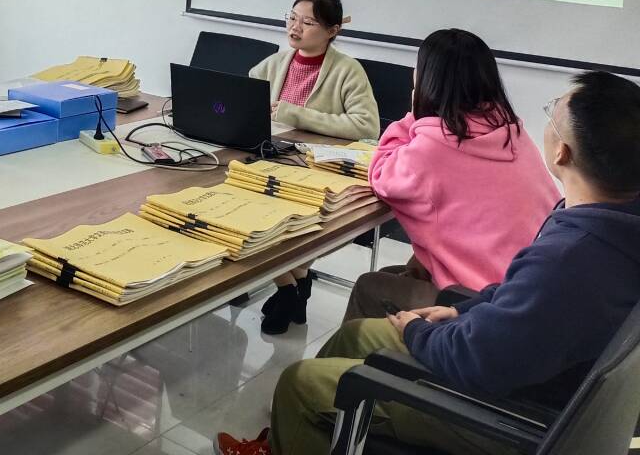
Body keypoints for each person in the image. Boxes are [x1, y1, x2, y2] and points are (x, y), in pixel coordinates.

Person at [215, 71, 640, 455]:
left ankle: (302, 423)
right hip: (524, 367)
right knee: (357, 334)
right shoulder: (609, 220)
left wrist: (419, 332)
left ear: (562, 152)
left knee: (299, 385)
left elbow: (480, 360)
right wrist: (462, 310)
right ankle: (292, 439)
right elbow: (518, 297)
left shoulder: (571, 258)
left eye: (552, 113)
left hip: (503, 411)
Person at [344, 28, 561, 322]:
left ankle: (363, 352)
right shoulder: (512, 131)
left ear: (428, 79)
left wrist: (414, 114)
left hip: (483, 304)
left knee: (369, 287)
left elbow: (382, 174)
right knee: (398, 272)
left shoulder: (435, 146)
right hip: (533, 288)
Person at [248, 0, 379, 335]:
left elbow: (367, 126)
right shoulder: (275, 62)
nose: (295, 27)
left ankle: (287, 288)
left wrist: (295, 114)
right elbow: (244, 96)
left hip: (318, 168)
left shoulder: (348, 70)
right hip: (272, 157)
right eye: (292, 18)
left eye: (307, 22)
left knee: (281, 216)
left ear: (332, 30)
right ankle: (295, 285)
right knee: (250, 207)